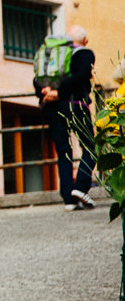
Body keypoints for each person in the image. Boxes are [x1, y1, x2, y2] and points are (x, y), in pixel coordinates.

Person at [35, 25, 97, 209]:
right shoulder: (83, 53)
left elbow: (36, 80)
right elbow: (82, 75)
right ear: (84, 40)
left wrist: (45, 91)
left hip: (53, 108)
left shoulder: (51, 54)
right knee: (90, 147)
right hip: (75, 106)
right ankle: (80, 187)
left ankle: (68, 200)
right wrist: (60, 92)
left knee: (63, 151)